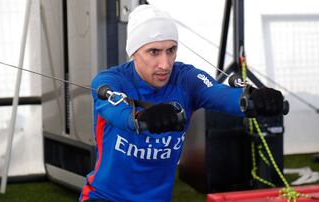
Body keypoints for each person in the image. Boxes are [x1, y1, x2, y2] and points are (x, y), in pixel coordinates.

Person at [80, 4, 284, 202]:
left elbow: (219, 93)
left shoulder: (186, 79)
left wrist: (253, 100)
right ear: (133, 52)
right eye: (154, 52)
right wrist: (141, 118)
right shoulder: (110, 80)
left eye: (171, 50)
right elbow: (115, 110)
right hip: (104, 197)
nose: (165, 64)